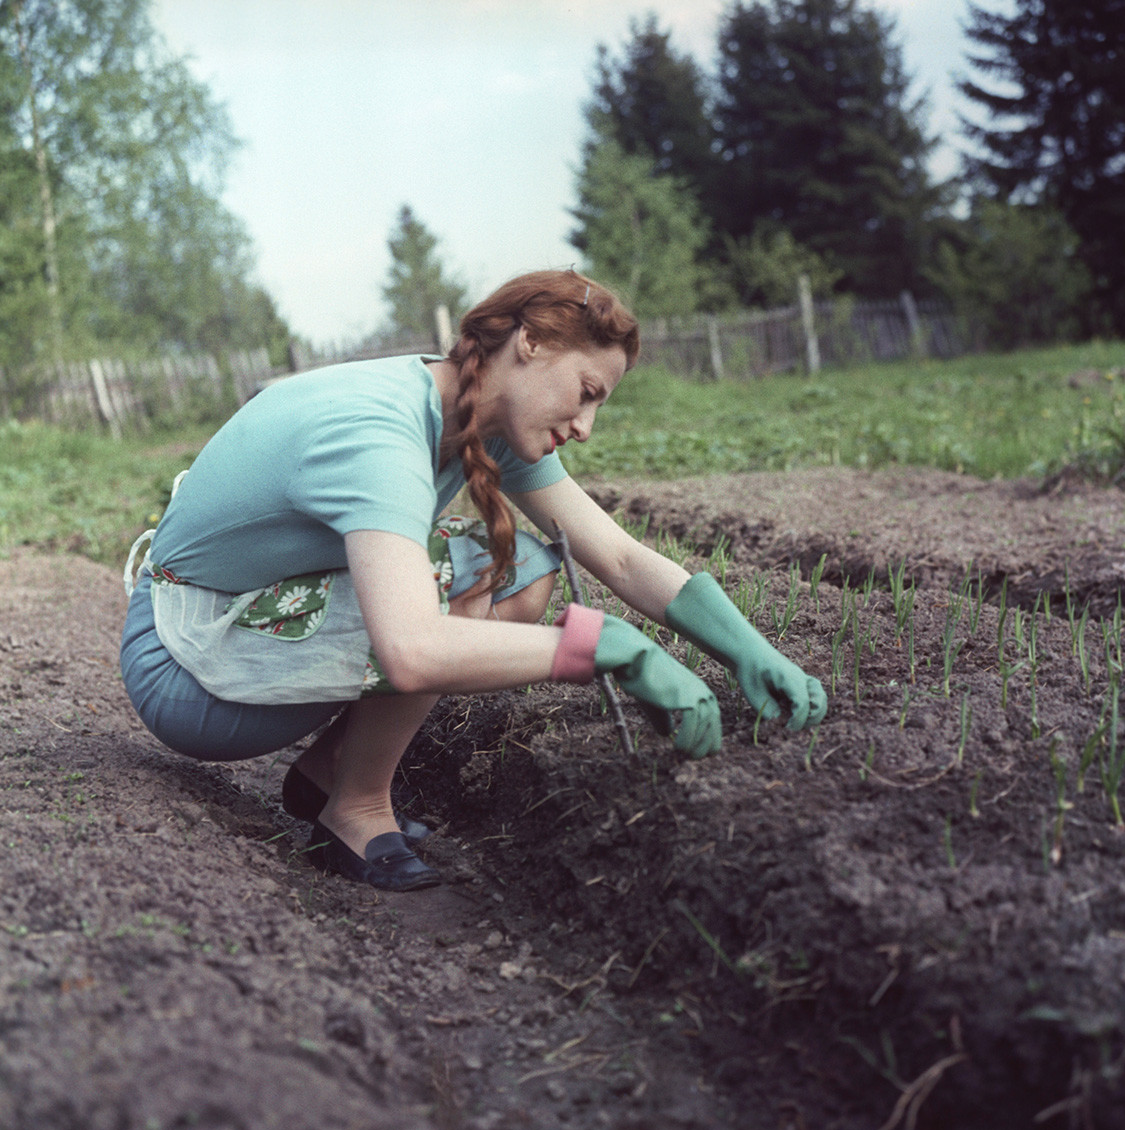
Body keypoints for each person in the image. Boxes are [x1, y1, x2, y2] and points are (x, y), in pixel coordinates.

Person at [120, 270, 826, 893]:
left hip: (248, 622)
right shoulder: (378, 430)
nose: (585, 425)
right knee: (451, 575)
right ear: (531, 343)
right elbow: (412, 649)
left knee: (518, 567)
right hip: (185, 667)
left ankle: (330, 771)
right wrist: (608, 645)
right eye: (585, 393)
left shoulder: (479, 415)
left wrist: (745, 648)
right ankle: (357, 808)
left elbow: (618, 556)